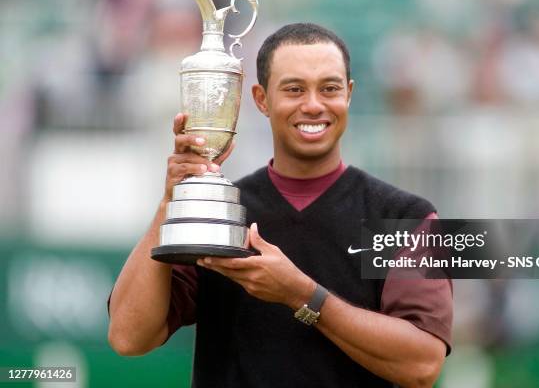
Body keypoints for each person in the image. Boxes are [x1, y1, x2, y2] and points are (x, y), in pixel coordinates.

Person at [108, 23, 452, 388]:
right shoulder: (221, 209)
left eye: (330, 88)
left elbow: (422, 366)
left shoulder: (407, 217)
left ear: (349, 94)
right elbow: (128, 338)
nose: (314, 104)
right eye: (294, 89)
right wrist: (171, 201)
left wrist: (301, 295)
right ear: (261, 99)